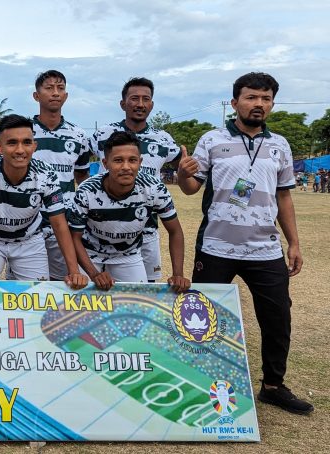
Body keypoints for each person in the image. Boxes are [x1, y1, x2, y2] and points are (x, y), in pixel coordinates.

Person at [177, 72, 314, 415]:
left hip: (265, 249)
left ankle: (273, 386)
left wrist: (294, 243)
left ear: (272, 104)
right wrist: (183, 173)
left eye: (266, 99)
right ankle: (200, 382)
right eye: (252, 97)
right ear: (235, 101)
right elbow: (192, 188)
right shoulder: (212, 140)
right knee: (204, 319)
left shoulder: (280, 144)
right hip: (216, 247)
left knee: (277, 317)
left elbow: (284, 198)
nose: (259, 104)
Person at [0, 114, 86, 288]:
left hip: (29, 240)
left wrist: (74, 271)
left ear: (34, 146)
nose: (20, 150)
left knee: (37, 295)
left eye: (27, 142)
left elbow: (59, 224)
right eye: (12, 143)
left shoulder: (46, 173)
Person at [90, 77, 184, 283]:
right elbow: (80, 166)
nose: (140, 104)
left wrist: (186, 170)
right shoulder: (102, 134)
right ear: (123, 103)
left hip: (146, 228)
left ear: (151, 104)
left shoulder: (164, 139)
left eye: (145, 99)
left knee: (143, 291)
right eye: (134, 98)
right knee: (93, 292)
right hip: (101, 228)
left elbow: (183, 172)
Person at [69, 131, 189, 291]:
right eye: (118, 160)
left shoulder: (154, 188)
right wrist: (93, 274)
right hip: (90, 252)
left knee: (137, 306)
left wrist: (178, 274)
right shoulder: (87, 191)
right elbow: (74, 237)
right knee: (82, 303)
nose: (126, 167)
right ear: (105, 163)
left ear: (140, 162)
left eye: (132, 160)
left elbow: (175, 231)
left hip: (128, 254)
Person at [31, 70, 91, 281]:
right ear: (36, 96)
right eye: (49, 88)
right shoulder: (24, 133)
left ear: (66, 95)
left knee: (65, 281)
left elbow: (82, 177)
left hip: (64, 220)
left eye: (60, 88)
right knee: (31, 284)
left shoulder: (78, 136)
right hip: (30, 221)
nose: (55, 93)